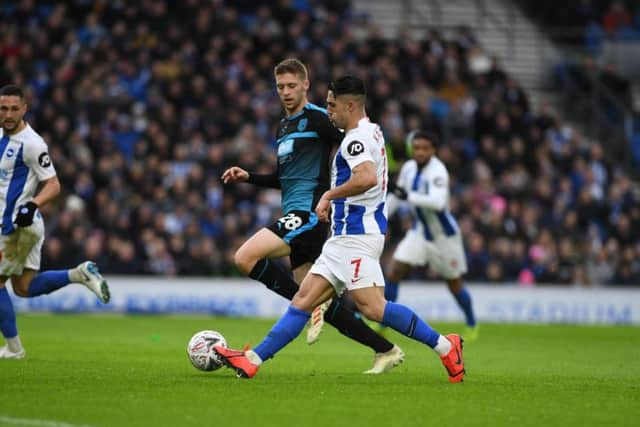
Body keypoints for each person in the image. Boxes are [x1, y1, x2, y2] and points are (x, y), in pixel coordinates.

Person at [214, 76, 465, 382]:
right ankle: (252, 360)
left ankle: (444, 345)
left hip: (357, 238)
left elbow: (367, 177)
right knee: (303, 301)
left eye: (332, 105)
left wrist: (329, 195)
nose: (328, 111)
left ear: (349, 105)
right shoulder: (372, 131)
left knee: (373, 308)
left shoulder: (354, 140)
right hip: (345, 237)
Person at [220, 59, 403, 374]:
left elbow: (355, 144)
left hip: (308, 214)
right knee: (319, 304)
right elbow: (284, 177)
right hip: (294, 212)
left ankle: (298, 317)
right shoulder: (284, 126)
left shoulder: (320, 119)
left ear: (306, 84)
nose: (286, 92)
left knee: (245, 257)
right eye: (280, 87)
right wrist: (248, 176)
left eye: (292, 85)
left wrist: (370, 184)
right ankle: (385, 349)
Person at [0, 85, 110, 359]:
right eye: (4, 108)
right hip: (24, 225)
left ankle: (14, 349)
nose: (9, 114)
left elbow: (54, 184)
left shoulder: (32, 144)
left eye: (15, 108)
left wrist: (33, 204)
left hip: (16, 225)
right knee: (24, 288)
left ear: (25, 109)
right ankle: (79, 274)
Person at [383, 131, 478, 340]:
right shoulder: (408, 169)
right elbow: (398, 197)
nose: (420, 152)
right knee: (394, 271)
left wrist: (409, 196)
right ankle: (384, 321)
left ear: (433, 151)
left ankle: (471, 322)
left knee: (454, 284)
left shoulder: (438, 172)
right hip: (419, 233)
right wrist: (381, 217)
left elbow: (437, 202)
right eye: (416, 148)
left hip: (444, 237)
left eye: (425, 148)